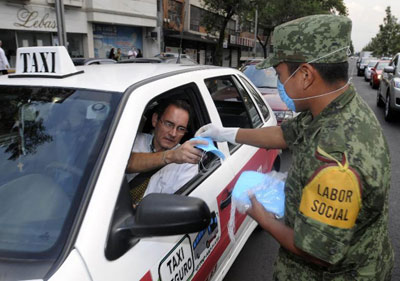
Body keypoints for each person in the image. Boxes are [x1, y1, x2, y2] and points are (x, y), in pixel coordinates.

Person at [197, 14, 393, 280]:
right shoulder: (333, 108)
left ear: (305, 75)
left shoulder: (336, 154)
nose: (280, 84)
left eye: (280, 74)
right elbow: (283, 134)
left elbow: (316, 253)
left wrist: (262, 217)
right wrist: (227, 133)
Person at [126, 99, 207, 204]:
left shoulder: (187, 162)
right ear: (155, 120)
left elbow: (177, 205)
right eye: (169, 124)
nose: (173, 133)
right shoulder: (133, 142)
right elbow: (123, 164)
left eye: (181, 129)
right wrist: (171, 156)